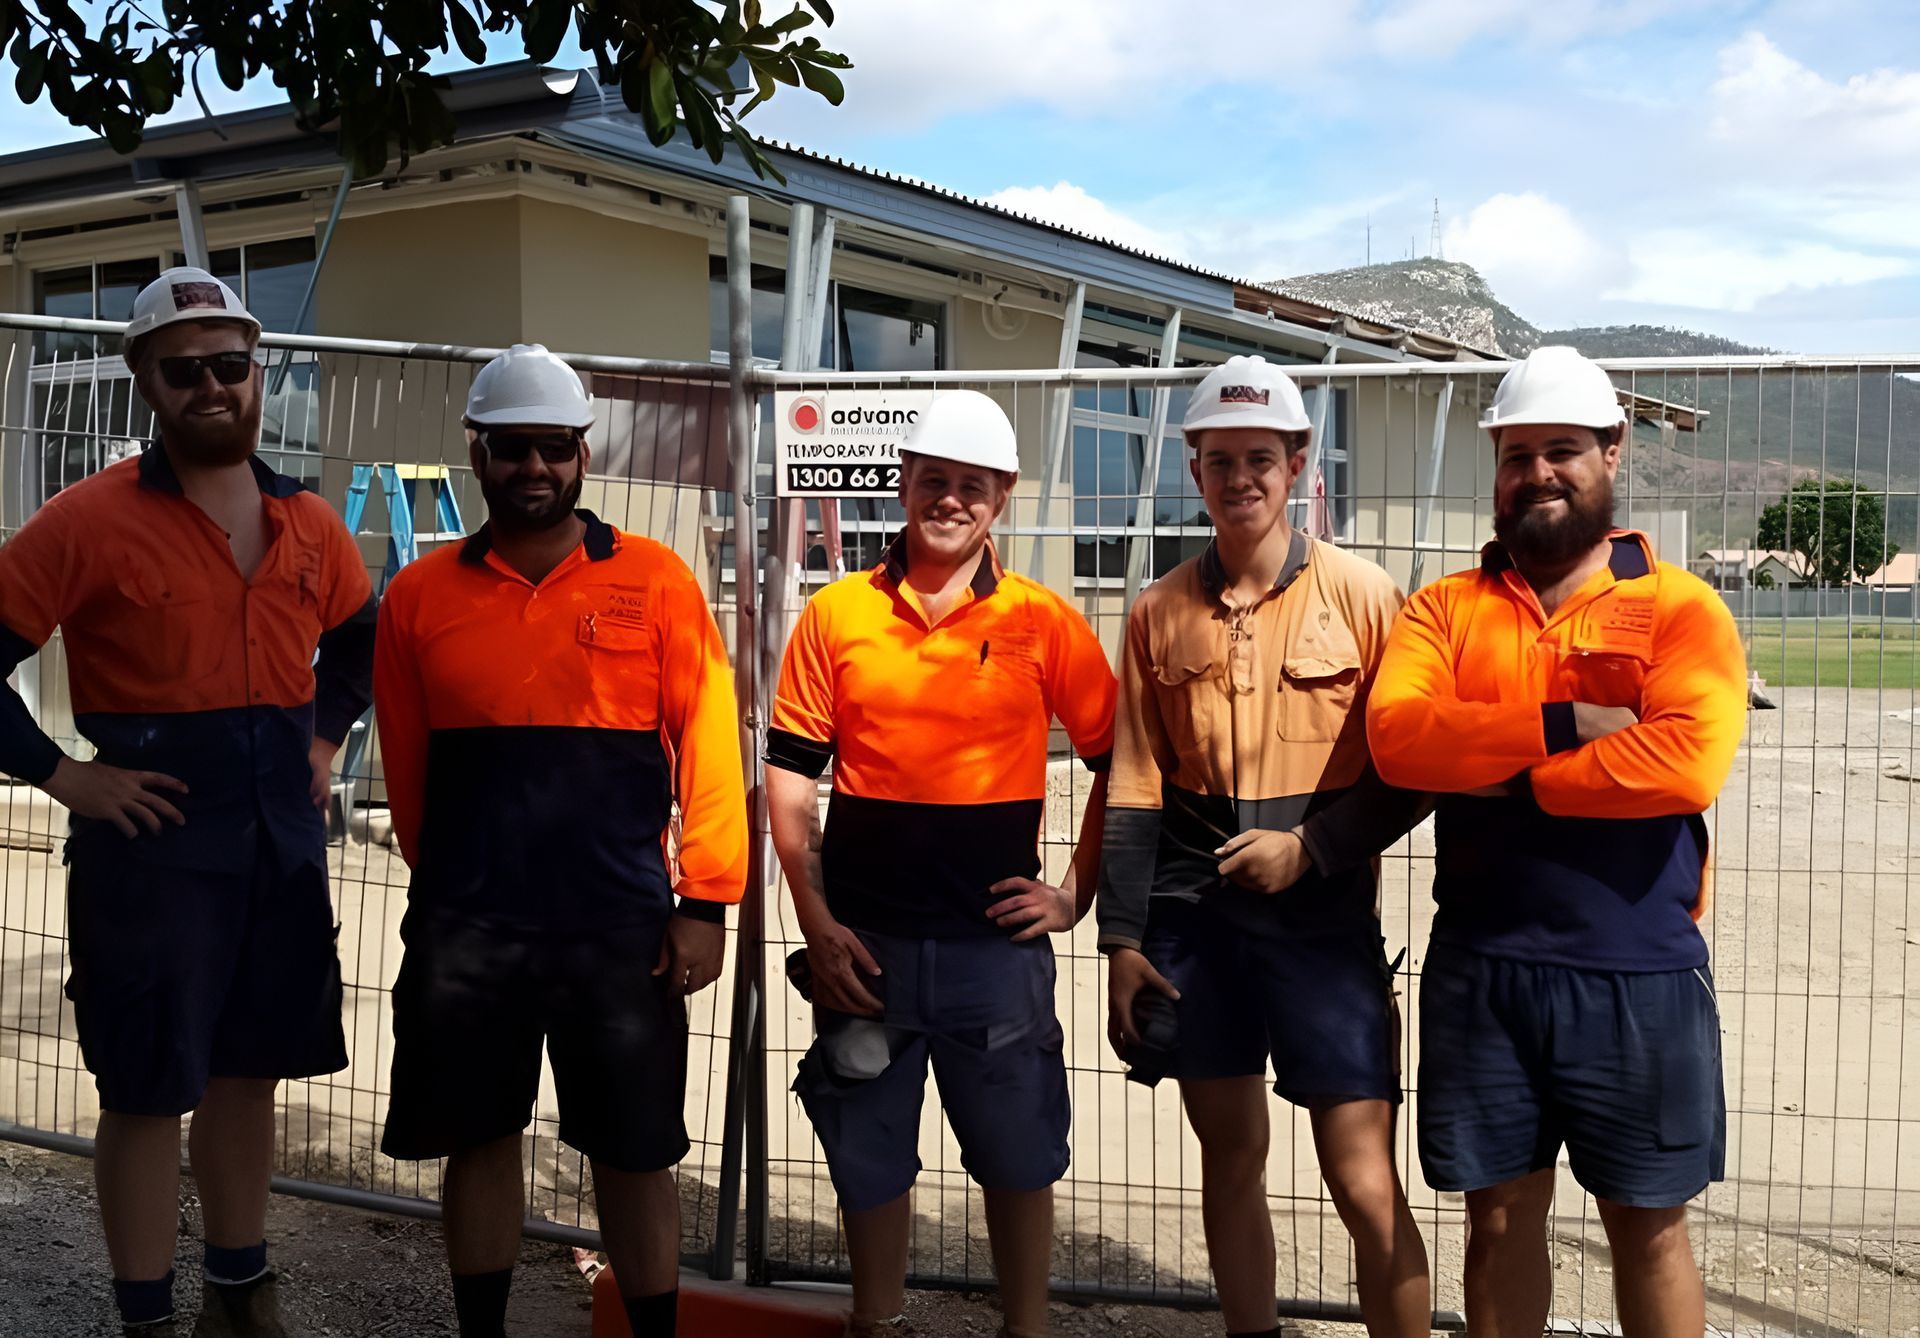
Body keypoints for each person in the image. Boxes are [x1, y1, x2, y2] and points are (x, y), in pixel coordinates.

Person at [0, 267, 374, 1335]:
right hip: (153, 851)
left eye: (230, 365)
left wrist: (324, 735)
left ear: (257, 373)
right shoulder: (86, 521)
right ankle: (147, 1315)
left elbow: (356, 636)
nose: (211, 386)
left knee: (250, 1072)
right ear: (147, 386)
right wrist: (65, 775)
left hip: (280, 847)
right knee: (148, 1088)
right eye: (184, 370)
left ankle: (241, 1291)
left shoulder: (309, 522)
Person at [1368, 346, 1748, 1336]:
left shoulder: (1679, 609)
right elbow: (1399, 742)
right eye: (1516, 453)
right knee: (1495, 1220)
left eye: (1562, 449)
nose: (1537, 471)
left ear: (1613, 454)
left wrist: (1493, 764)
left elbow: (1681, 768)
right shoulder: (1442, 608)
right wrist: (1564, 725)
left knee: (1648, 1225)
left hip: (1637, 972)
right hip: (1482, 969)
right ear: (1495, 466)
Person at [373, 344, 747, 1338]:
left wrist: (705, 903)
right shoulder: (418, 599)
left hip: (619, 931)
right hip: (471, 928)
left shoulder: (659, 583)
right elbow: (407, 773)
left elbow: (710, 742)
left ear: (583, 453)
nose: (532, 466)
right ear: (476, 453)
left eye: (552, 447)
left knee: (634, 1151)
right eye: (511, 448)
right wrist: (451, 884)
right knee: (479, 1137)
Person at [766, 390, 1117, 1338]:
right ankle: (875, 1324)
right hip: (863, 951)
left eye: (972, 485)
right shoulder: (836, 616)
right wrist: (815, 918)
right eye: (933, 481)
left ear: (1001, 495)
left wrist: (1077, 892)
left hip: (993, 958)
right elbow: (791, 776)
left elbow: (1122, 764)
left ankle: (1026, 1328)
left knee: (1018, 1155)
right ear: (904, 484)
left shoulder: (1046, 623)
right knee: (867, 1156)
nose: (949, 500)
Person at [1097, 356, 1431, 1337]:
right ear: (1193, 470)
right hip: (1197, 926)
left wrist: (1314, 849)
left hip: (1323, 930)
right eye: (1219, 459)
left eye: (1262, 458)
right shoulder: (1158, 610)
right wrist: (1123, 940)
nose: (1241, 477)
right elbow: (1133, 782)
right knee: (1229, 1159)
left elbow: (1414, 769)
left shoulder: (1366, 597)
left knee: (1364, 1180)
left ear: (1298, 467)